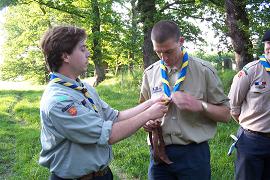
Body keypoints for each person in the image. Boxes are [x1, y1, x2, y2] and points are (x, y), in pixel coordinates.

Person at [39, 25, 169, 180]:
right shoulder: (59, 101)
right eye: (82, 49)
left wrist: (151, 102)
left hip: (103, 175)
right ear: (65, 56)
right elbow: (109, 135)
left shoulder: (83, 88)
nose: (87, 53)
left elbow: (115, 116)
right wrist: (149, 114)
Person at [140, 20, 230, 180]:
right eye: (158, 52)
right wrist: (146, 122)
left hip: (193, 155)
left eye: (168, 51)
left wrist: (200, 105)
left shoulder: (204, 71)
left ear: (181, 41)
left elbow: (225, 115)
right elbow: (142, 111)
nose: (163, 57)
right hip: (159, 152)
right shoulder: (150, 73)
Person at [229, 29, 270, 180]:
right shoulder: (250, 71)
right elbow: (233, 107)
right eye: (268, 43)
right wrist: (252, 128)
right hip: (253, 141)